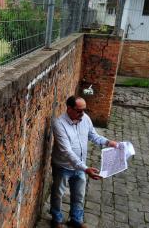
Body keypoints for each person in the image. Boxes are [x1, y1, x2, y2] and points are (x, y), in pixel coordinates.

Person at [50, 96, 118, 228]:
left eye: (84, 110)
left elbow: (93, 135)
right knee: (58, 194)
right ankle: (56, 220)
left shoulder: (85, 118)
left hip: (80, 166)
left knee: (79, 195)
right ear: (69, 109)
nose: (82, 113)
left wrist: (108, 142)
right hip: (63, 166)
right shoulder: (59, 124)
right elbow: (66, 151)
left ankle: (76, 220)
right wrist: (86, 169)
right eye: (79, 111)